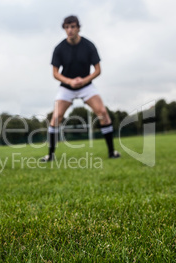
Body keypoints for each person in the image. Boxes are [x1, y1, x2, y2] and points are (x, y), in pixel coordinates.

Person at [41, 15, 120, 162]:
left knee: (103, 112)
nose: (70, 30)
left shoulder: (89, 45)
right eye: (67, 27)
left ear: (78, 28)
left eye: (72, 27)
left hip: (86, 85)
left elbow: (97, 70)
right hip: (67, 87)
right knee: (56, 117)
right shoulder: (59, 48)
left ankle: (111, 152)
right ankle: (50, 155)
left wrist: (84, 81)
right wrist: (70, 82)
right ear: (64, 29)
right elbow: (55, 73)